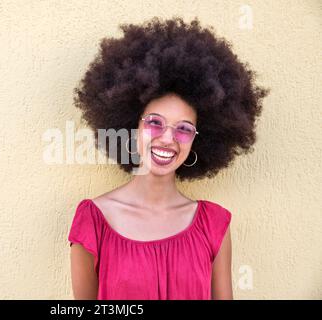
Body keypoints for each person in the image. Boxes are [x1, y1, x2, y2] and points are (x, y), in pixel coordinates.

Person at [68, 16, 269, 300]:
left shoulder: (213, 225)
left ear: (199, 139)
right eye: (155, 122)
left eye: (184, 129)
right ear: (131, 126)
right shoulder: (93, 221)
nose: (167, 138)